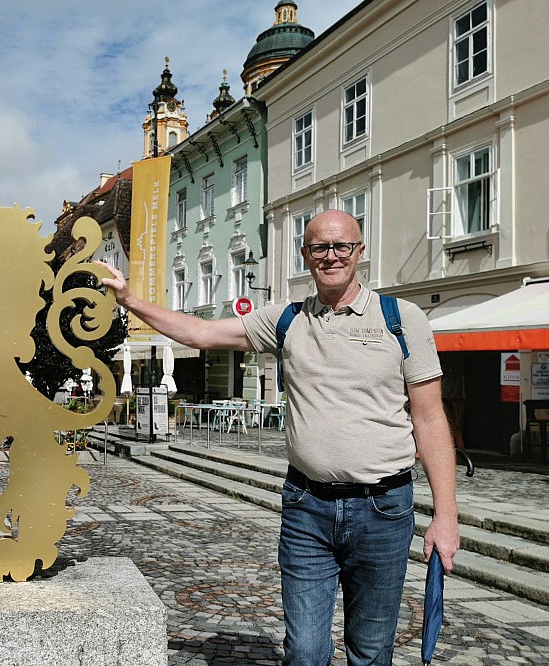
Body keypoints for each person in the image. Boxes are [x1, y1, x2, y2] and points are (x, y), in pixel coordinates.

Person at [98, 209, 459, 665]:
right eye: (319, 248)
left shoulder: (401, 319)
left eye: (341, 246)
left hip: (382, 511)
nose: (331, 256)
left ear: (359, 251)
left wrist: (445, 516)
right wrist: (130, 299)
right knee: (305, 652)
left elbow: (429, 419)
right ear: (306, 255)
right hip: (307, 507)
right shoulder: (286, 319)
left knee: (370, 652)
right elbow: (202, 332)